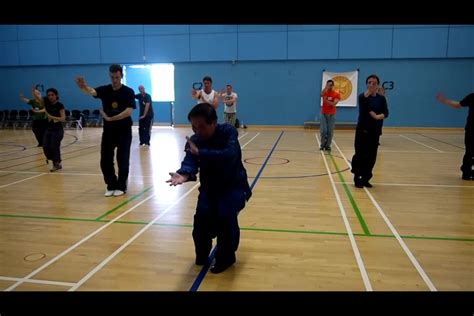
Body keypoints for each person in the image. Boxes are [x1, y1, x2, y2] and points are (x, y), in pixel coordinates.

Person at [166, 103, 252, 274]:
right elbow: (189, 161)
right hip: (209, 189)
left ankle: (226, 257)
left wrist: (201, 153)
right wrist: (184, 174)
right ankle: (202, 254)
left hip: (233, 187)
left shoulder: (228, 131)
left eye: (201, 126)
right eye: (193, 126)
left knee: (225, 219)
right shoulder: (195, 141)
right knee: (201, 223)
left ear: (213, 123)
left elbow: (230, 155)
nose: (197, 130)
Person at [75, 64, 136, 197]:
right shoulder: (105, 90)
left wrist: (113, 118)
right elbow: (92, 92)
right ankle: (111, 184)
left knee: (122, 158)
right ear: (110, 76)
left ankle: (121, 186)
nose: (114, 80)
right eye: (112, 77)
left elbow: (129, 111)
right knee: (105, 158)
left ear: (121, 76)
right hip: (109, 130)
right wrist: (83, 87)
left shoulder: (128, 92)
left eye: (117, 77)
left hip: (124, 130)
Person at [351, 74, 389, 188]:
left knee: (371, 156)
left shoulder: (381, 98)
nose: (372, 84)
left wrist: (379, 116)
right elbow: (365, 109)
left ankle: (366, 178)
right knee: (360, 155)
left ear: (377, 84)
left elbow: (386, 112)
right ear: (366, 84)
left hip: (375, 132)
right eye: (369, 82)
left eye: (374, 82)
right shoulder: (362, 96)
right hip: (362, 131)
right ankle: (357, 177)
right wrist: (372, 113)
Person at [436, 92, 473, 180]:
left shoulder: (472, 96)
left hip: (470, 129)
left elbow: (457, 105)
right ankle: (466, 172)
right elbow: (458, 105)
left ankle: (466, 171)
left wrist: (445, 101)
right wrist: (445, 101)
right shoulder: (472, 97)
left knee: (469, 152)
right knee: (469, 152)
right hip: (471, 129)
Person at [32, 87, 66, 172]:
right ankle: (53, 159)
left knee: (54, 146)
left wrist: (51, 117)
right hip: (48, 128)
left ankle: (56, 164)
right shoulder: (46, 103)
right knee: (45, 146)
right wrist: (34, 93)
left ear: (56, 95)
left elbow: (63, 119)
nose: (50, 96)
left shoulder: (59, 105)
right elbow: (38, 99)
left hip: (57, 129)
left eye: (52, 95)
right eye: (49, 95)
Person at [319, 79, 341, 151]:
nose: (330, 86)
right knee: (324, 130)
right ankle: (322, 145)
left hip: (331, 115)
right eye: (328, 85)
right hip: (323, 114)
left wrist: (325, 101)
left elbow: (334, 103)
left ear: (333, 85)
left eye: (331, 85)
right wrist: (325, 88)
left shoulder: (336, 94)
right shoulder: (325, 92)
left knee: (330, 131)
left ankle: (328, 145)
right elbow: (320, 94)